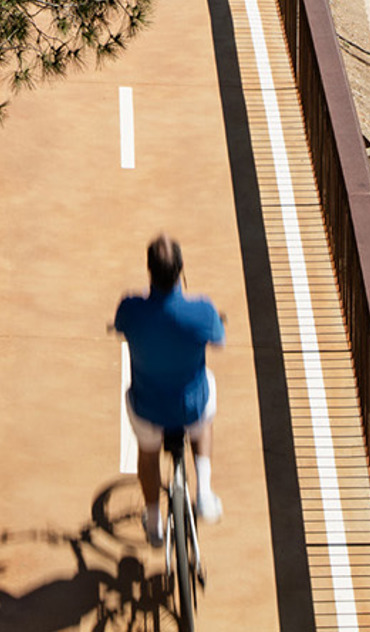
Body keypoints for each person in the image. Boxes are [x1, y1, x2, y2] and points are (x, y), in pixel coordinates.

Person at [114, 233, 225, 547]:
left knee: (147, 455)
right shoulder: (202, 312)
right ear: (180, 270)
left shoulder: (131, 309)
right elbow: (219, 339)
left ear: (150, 271)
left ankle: (153, 523)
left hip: (148, 408)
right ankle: (203, 492)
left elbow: (120, 325)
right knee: (207, 402)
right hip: (190, 407)